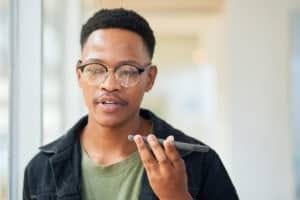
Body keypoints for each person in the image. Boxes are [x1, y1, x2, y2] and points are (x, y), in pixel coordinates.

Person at [23, 8, 239, 200]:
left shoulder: (200, 163)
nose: (109, 84)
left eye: (127, 71)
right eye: (96, 69)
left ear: (150, 78)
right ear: (79, 75)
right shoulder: (41, 170)